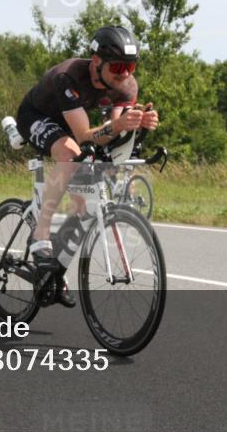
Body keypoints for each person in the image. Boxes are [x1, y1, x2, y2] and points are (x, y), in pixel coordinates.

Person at [14, 26, 160, 302]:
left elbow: (112, 134)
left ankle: (53, 272)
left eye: (130, 67)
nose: (125, 74)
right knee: (69, 155)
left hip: (73, 121)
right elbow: (83, 136)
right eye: (117, 66)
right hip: (37, 117)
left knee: (83, 203)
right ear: (96, 62)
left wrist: (138, 124)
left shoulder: (127, 85)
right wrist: (118, 125)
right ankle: (40, 233)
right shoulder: (69, 76)